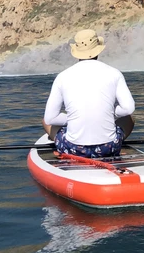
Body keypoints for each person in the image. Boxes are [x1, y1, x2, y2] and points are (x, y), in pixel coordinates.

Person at [42, 29, 135, 158]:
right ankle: (115, 145)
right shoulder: (115, 73)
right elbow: (129, 108)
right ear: (98, 50)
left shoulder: (62, 77)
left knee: (45, 121)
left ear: (77, 51)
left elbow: (50, 118)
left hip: (74, 149)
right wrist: (109, 113)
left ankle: (62, 146)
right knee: (129, 118)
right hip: (108, 148)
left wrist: (74, 118)